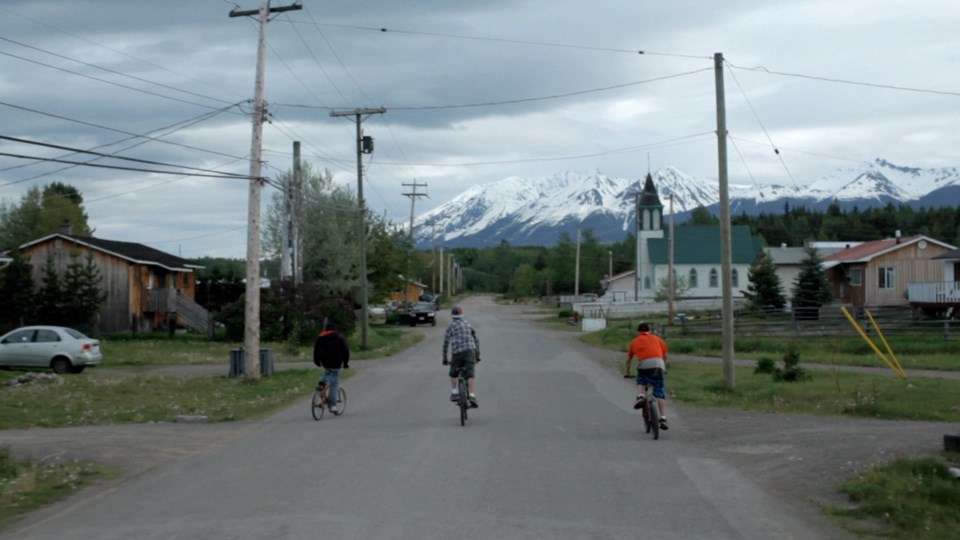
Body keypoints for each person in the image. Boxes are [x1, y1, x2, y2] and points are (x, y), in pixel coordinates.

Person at [625, 322, 669, 430]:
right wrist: (663, 368)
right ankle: (663, 418)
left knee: (641, 381)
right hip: (659, 365)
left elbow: (628, 359)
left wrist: (628, 372)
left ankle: (640, 396)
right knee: (659, 393)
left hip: (644, 365)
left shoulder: (635, 341)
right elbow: (665, 355)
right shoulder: (658, 339)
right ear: (649, 330)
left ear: (638, 332)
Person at [442, 305, 480, 407]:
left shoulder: (451, 326)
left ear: (452, 316)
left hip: (457, 353)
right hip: (470, 351)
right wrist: (477, 355)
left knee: (453, 373)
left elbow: (446, 343)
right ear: (462, 315)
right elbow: (476, 339)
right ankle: (472, 395)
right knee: (470, 374)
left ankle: (454, 393)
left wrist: (445, 358)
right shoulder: (468, 324)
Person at [313, 321, 350, 414]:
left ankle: (322, 382)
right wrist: (345, 363)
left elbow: (316, 349)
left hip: (324, 361)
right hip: (336, 362)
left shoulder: (321, 336)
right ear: (335, 329)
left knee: (328, 371)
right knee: (334, 384)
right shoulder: (339, 337)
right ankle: (333, 405)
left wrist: (316, 360)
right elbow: (346, 351)